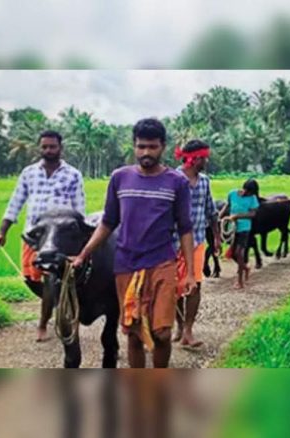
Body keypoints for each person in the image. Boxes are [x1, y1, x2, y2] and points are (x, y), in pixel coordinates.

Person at [72, 118, 195, 369]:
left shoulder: (177, 182)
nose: (146, 152)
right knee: (134, 331)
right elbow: (107, 222)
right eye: (141, 147)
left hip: (162, 263)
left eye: (152, 147)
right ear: (134, 146)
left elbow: (185, 228)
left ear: (163, 146)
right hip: (127, 264)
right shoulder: (120, 178)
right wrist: (83, 254)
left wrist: (190, 272)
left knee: (161, 332)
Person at [0, 130, 85, 343]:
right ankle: (54, 309)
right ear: (39, 148)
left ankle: (46, 323)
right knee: (33, 279)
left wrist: (81, 240)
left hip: (61, 238)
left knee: (55, 279)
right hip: (35, 236)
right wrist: (2, 232)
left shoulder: (73, 174)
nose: (48, 150)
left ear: (60, 148)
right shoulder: (29, 173)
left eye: (52, 147)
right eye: (44, 147)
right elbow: (15, 203)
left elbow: (79, 209)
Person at [172, 139, 220, 349]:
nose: (206, 161)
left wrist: (217, 236)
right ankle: (179, 325)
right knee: (174, 288)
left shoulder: (205, 181)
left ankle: (189, 331)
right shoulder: (172, 179)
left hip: (198, 239)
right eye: (203, 158)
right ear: (192, 158)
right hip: (172, 242)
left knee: (194, 285)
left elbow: (211, 210)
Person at [221, 179, 260, 289]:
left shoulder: (252, 199)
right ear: (245, 189)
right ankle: (245, 267)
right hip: (232, 227)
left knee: (239, 252)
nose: (250, 195)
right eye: (249, 192)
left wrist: (238, 216)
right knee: (232, 254)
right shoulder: (232, 194)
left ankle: (240, 281)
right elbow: (227, 206)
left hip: (244, 228)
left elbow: (252, 214)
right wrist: (220, 216)